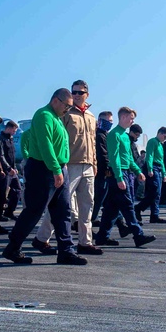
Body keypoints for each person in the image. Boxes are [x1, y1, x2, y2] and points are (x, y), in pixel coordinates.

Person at [2, 89, 86, 265]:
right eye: (67, 106)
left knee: (63, 212)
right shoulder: (43, 115)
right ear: (56, 100)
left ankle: (66, 251)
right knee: (34, 211)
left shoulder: (57, 118)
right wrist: (55, 169)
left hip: (59, 168)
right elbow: (45, 145)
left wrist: (59, 169)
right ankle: (13, 247)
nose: (68, 110)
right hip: (43, 169)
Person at [32, 81, 102, 255]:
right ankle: (42, 238)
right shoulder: (65, 113)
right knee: (61, 205)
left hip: (87, 165)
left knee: (87, 205)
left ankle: (85, 242)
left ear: (87, 94)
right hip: (69, 164)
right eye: (74, 92)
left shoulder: (92, 116)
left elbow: (92, 142)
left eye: (80, 92)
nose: (76, 95)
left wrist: (94, 163)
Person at [94, 107, 156, 248]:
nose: (132, 121)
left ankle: (102, 237)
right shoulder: (114, 135)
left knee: (112, 208)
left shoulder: (125, 136)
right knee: (128, 205)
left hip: (126, 172)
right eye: (131, 118)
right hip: (119, 174)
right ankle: (138, 235)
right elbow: (114, 158)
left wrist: (137, 171)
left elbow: (128, 158)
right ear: (122, 117)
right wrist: (119, 177)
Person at [136, 127, 166, 223]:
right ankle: (139, 208)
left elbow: (161, 160)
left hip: (158, 168)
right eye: (164, 136)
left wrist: (164, 173)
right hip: (153, 167)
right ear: (159, 133)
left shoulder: (160, 145)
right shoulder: (152, 142)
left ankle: (154, 215)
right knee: (154, 192)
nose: (165, 138)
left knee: (157, 193)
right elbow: (149, 155)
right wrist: (150, 168)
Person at [91, 110, 113, 224]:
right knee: (99, 196)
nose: (110, 123)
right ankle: (92, 217)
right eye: (108, 121)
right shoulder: (99, 135)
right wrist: (107, 168)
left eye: (111, 121)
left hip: (103, 170)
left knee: (103, 196)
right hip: (101, 171)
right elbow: (102, 154)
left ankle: (94, 217)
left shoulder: (105, 135)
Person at [0, 120, 21, 221]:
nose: (14, 133)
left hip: (12, 170)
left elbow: (13, 155)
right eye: (14, 130)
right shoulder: (0, 139)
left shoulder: (10, 139)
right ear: (8, 128)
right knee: (2, 193)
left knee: (17, 190)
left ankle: (9, 212)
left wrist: (14, 167)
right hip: (5, 170)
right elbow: (1, 156)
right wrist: (8, 168)